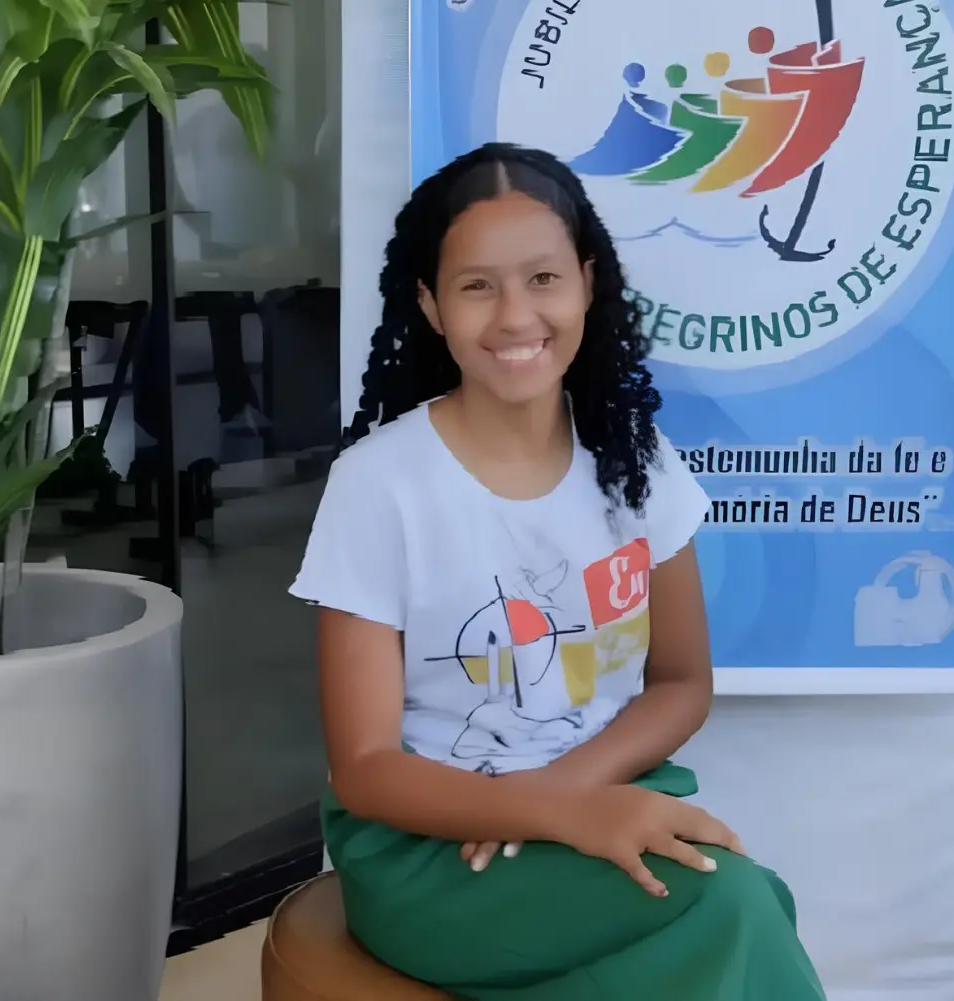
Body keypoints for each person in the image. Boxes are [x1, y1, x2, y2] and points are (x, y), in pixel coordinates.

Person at [289, 143, 825, 1000]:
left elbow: (683, 681)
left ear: (586, 283)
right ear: (428, 303)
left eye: (542, 279)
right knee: (736, 906)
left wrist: (563, 794)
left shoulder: (635, 458)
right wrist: (543, 810)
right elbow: (364, 764)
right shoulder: (378, 484)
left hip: (598, 787)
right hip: (432, 844)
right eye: (476, 286)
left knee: (736, 907)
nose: (514, 316)